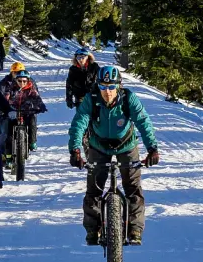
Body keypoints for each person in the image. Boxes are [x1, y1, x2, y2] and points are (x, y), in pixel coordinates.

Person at [68, 64, 160, 245]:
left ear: (119, 86)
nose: (107, 91)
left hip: (127, 146)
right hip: (98, 146)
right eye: (103, 86)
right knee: (93, 189)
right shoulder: (91, 99)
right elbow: (79, 123)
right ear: (98, 86)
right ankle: (93, 230)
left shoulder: (128, 99)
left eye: (111, 87)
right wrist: (75, 150)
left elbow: (143, 121)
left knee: (133, 188)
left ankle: (134, 229)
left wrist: (152, 149)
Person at [0, 62, 49, 154]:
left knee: (32, 119)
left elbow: (36, 96)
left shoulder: (30, 84)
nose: (22, 82)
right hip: (12, 110)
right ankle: (5, 153)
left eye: (24, 81)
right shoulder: (7, 84)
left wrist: (41, 106)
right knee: (6, 131)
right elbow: (4, 98)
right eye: (15, 72)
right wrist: (4, 109)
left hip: (26, 110)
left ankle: (32, 141)